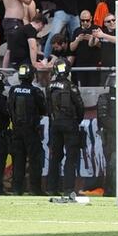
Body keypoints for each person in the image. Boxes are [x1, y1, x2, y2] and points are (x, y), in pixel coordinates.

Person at [47, 60, 85, 197]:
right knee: (70, 157)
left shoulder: (50, 86)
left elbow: (48, 106)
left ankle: (51, 187)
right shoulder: (71, 87)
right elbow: (80, 107)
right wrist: (76, 121)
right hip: (69, 123)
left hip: (55, 123)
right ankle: (68, 189)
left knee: (55, 157)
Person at [8, 63, 47, 196]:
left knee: (18, 160)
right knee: (34, 160)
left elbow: (9, 108)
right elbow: (43, 109)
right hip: (31, 130)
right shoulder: (35, 91)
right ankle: (35, 188)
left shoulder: (13, 90)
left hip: (17, 130)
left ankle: (17, 188)